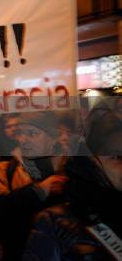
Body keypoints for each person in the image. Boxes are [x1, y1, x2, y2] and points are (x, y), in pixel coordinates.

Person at [23, 106, 122, 260]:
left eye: (67, 133)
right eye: (116, 157)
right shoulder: (56, 225)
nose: (64, 137)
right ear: (91, 163)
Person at [0, 110, 68, 261]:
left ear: (53, 138)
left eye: (32, 134)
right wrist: (37, 191)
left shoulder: (72, 170)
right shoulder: (4, 170)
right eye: (20, 133)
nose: (23, 140)